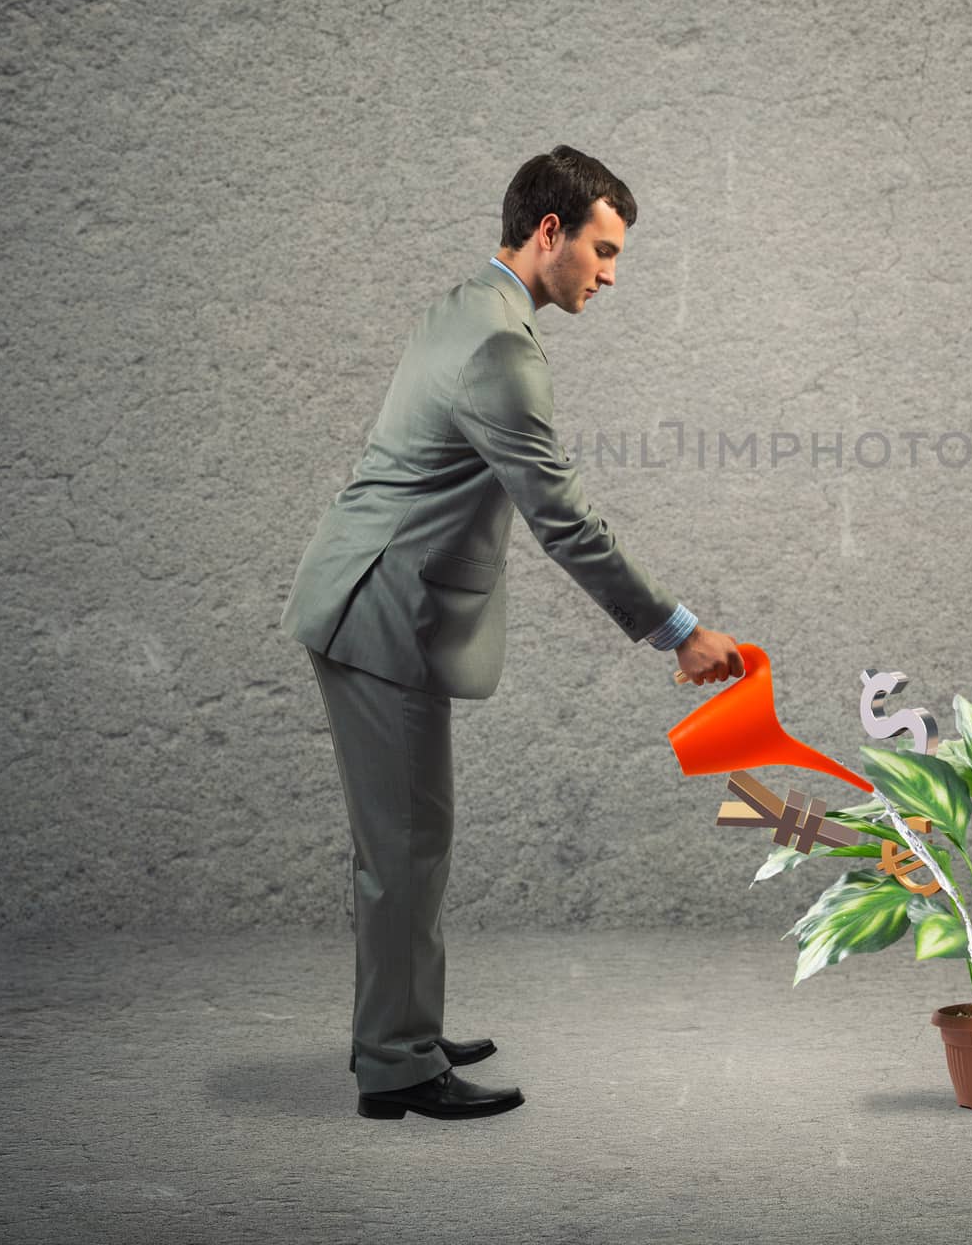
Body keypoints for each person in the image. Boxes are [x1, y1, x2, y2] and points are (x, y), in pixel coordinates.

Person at [280, 144, 743, 1121]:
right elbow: (563, 519)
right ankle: (398, 1066)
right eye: (603, 251)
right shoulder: (501, 349)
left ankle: (398, 1026)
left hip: (376, 597)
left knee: (408, 839)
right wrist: (677, 631)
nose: (610, 275)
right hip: (382, 612)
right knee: (405, 845)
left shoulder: (464, 305)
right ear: (549, 233)